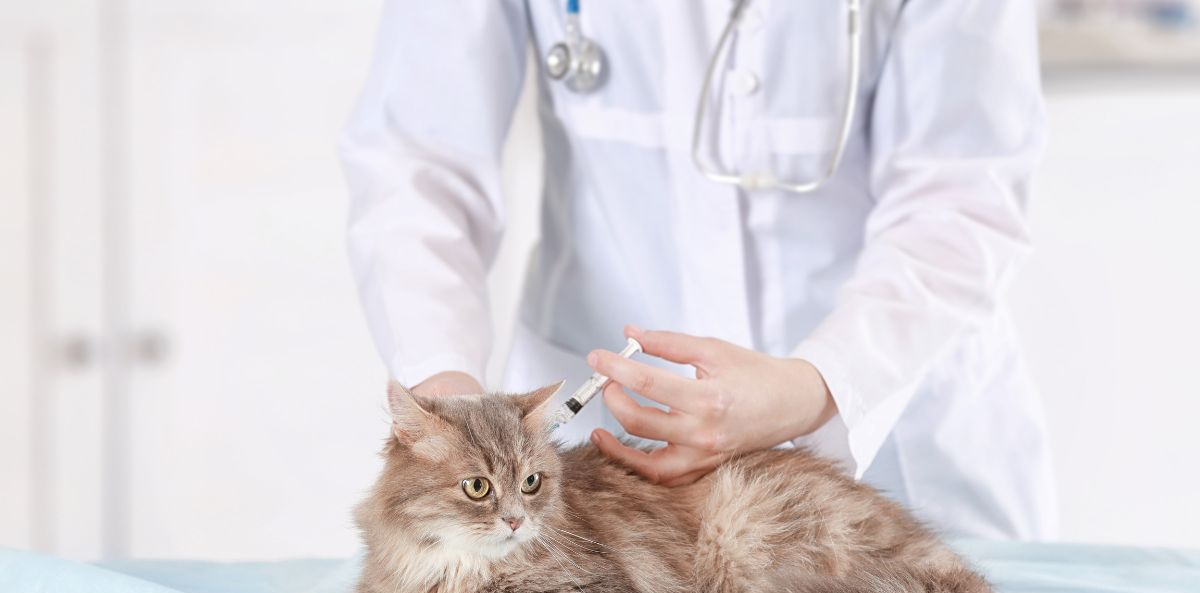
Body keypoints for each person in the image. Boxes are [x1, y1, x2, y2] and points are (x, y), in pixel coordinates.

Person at [341, 1, 1058, 540]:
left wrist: (821, 383)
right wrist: (452, 414)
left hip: (893, 426)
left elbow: (963, 194)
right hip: (600, 470)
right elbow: (418, 161)